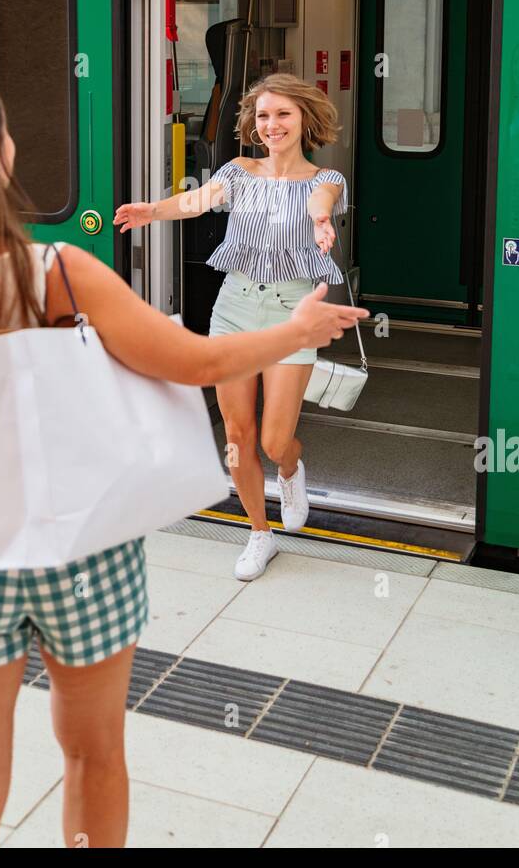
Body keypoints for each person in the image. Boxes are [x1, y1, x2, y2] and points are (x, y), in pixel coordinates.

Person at [0, 65, 366, 850]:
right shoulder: (54, 274)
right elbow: (189, 363)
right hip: (80, 531)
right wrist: (297, 333)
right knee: (93, 759)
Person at [114, 73, 349, 582]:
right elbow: (197, 201)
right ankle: (259, 534)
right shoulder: (239, 171)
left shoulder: (326, 181)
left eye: (283, 114)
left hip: (291, 314)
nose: (272, 125)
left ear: (304, 118)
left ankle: (290, 470)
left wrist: (321, 224)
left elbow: (318, 205)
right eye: (263, 116)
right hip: (235, 310)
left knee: (273, 441)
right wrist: (151, 210)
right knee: (239, 436)